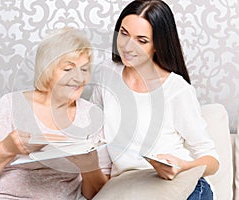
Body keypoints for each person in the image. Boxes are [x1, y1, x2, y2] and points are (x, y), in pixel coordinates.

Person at [0, 27, 111, 200]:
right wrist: (7, 148)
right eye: (68, 69)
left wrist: (90, 166)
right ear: (46, 70)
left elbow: (97, 194)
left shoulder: (91, 115)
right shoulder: (11, 105)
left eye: (84, 69)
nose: (79, 78)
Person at [90, 0, 219, 199]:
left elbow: (211, 160)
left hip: (183, 185)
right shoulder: (106, 74)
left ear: (158, 45)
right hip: (133, 186)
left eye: (141, 40)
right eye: (124, 34)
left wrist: (182, 166)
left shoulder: (177, 89)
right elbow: (97, 141)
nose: (127, 47)